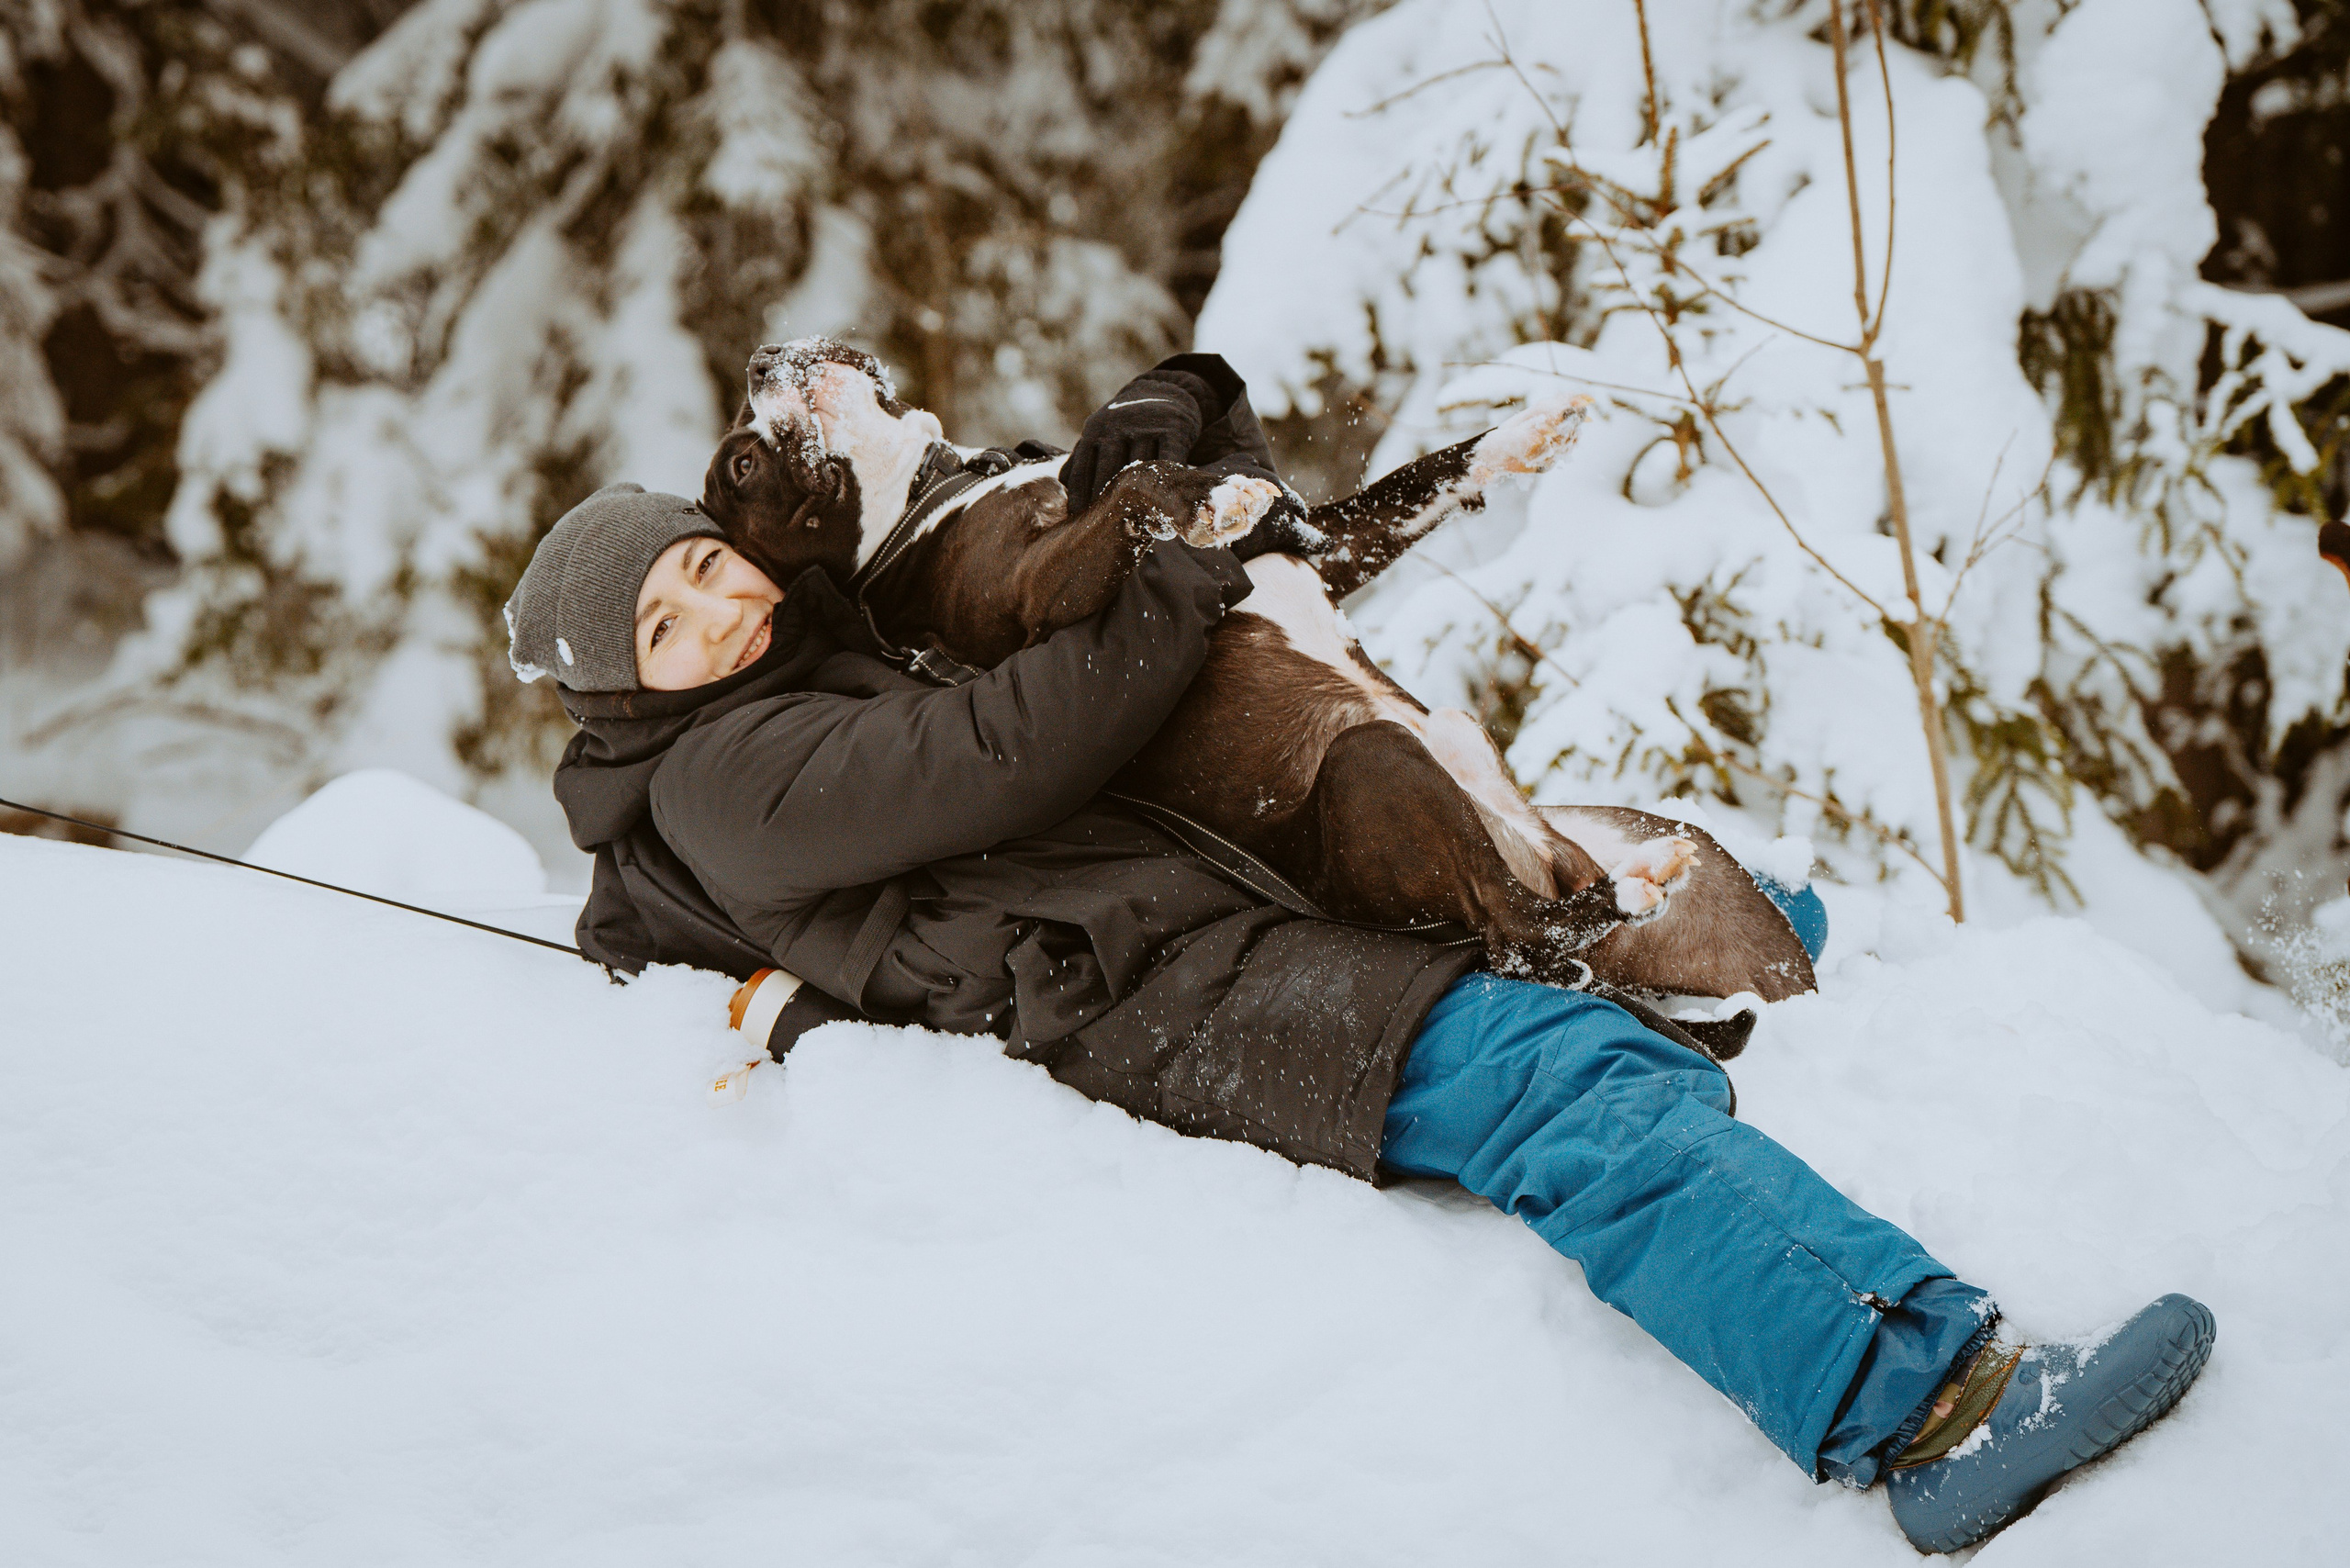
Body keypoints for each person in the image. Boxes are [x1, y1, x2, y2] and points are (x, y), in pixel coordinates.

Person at [505, 359, 2212, 1554]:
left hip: (1197, 925)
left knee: (1592, 917)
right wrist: (1181, 576)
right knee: (1559, 1087)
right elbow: (1013, 752)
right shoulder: (725, 777)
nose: (718, 610)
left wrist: (1165, 441)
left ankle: (1814, 1032)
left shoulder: (804, 666)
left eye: (709, 567)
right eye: (664, 622)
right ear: (615, 682)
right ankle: (1920, 1410)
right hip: (1149, 1004)